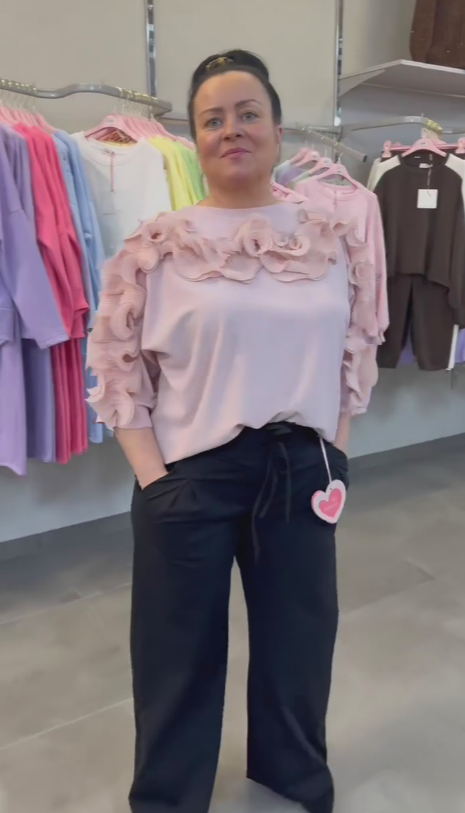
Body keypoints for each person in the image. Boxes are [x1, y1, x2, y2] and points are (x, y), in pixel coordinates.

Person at [88, 49, 382, 813]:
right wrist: (153, 476)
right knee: (174, 651)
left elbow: (354, 344)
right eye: (212, 119)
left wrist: (336, 445)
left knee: (300, 638)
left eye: (248, 113)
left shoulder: (331, 238)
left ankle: (293, 774)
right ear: (195, 141)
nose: (231, 129)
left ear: (278, 131)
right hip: (191, 472)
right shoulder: (158, 245)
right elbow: (118, 364)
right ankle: (168, 796)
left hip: (302, 466)